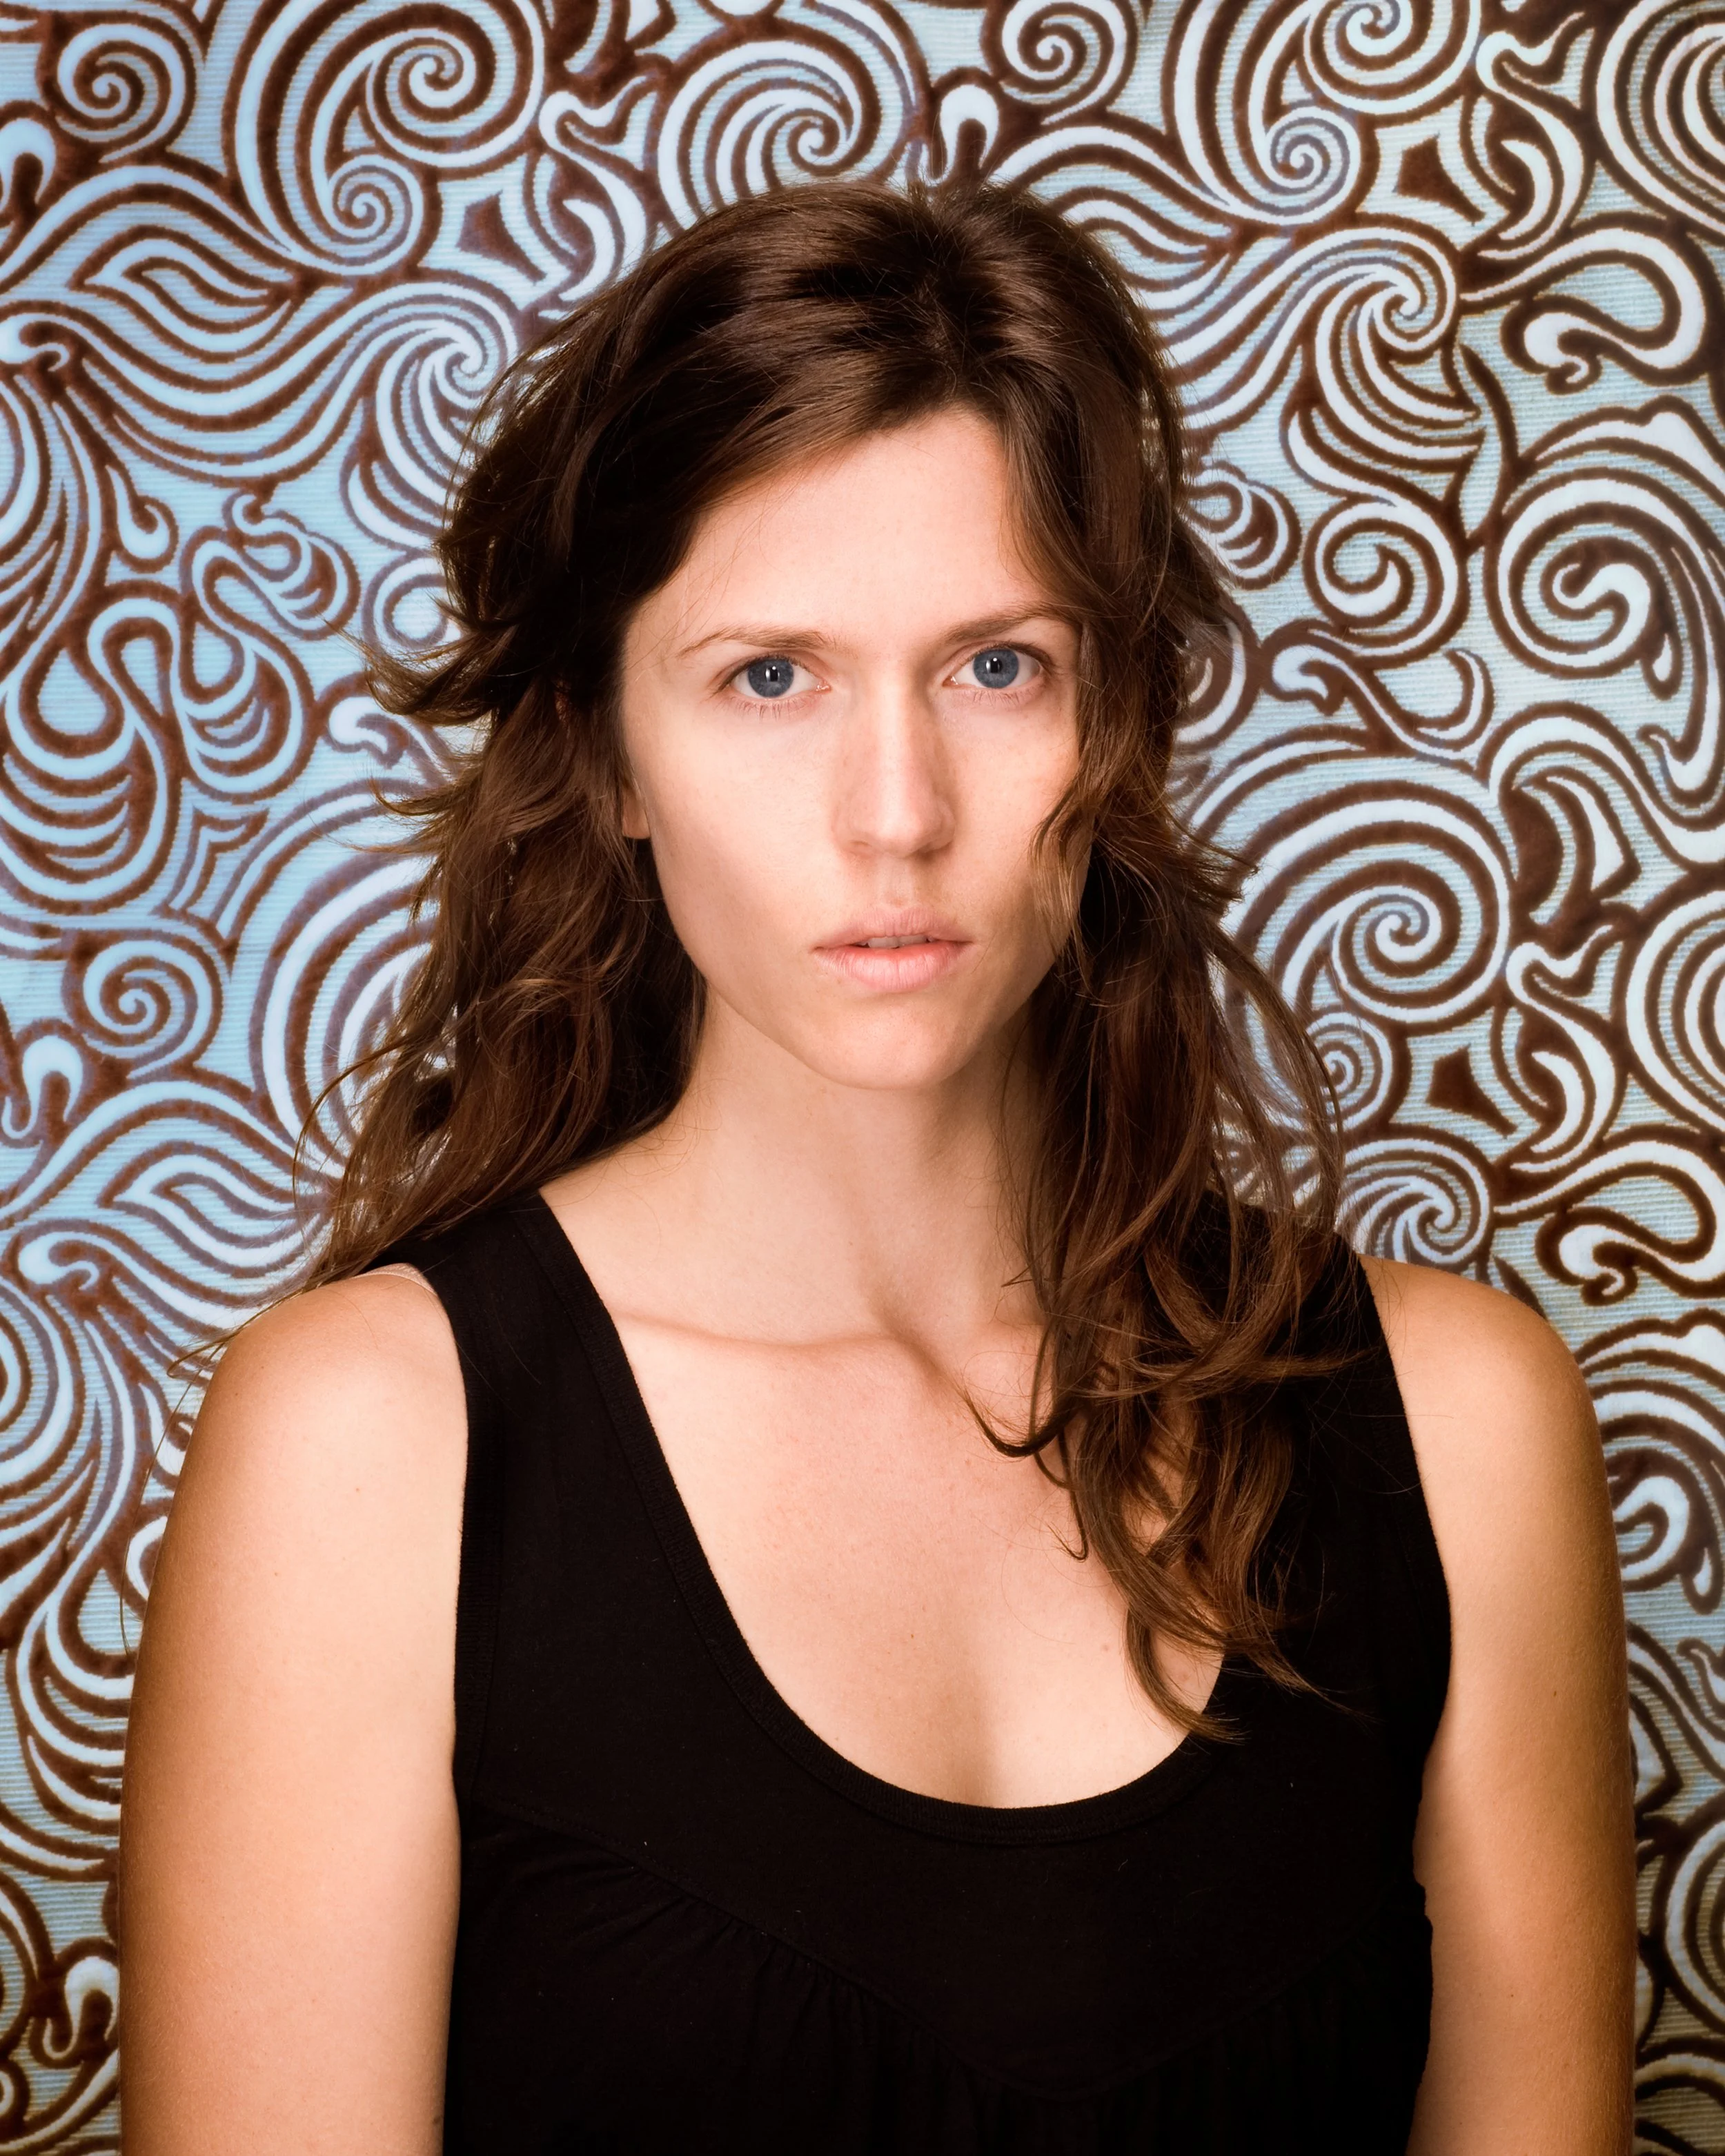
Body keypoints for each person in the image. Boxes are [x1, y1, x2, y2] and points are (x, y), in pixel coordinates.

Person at [117, 179, 1634, 2154]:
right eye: (771, 676)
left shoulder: (1456, 1423)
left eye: (997, 667)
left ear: (1120, 715)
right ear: (605, 752)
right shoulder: (371, 1447)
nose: (896, 812)